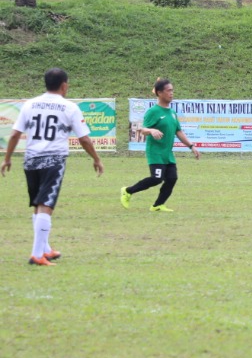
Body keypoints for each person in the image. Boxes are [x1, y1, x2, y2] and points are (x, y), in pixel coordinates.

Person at [1, 68, 104, 266]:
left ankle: (45, 249)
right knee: (46, 205)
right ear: (64, 85)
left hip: (30, 160)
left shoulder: (30, 104)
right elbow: (84, 139)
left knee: (38, 205)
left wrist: (7, 159)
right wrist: (96, 159)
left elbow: (14, 134)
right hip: (53, 161)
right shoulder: (69, 107)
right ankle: (36, 254)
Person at [120, 78, 200, 213]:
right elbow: (142, 130)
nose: (172, 93)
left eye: (172, 90)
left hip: (167, 153)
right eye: (169, 91)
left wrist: (191, 146)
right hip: (155, 152)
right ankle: (127, 191)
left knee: (172, 178)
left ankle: (158, 205)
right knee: (157, 178)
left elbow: (178, 131)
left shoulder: (172, 113)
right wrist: (151, 130)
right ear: (159, 93)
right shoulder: (153, 111)